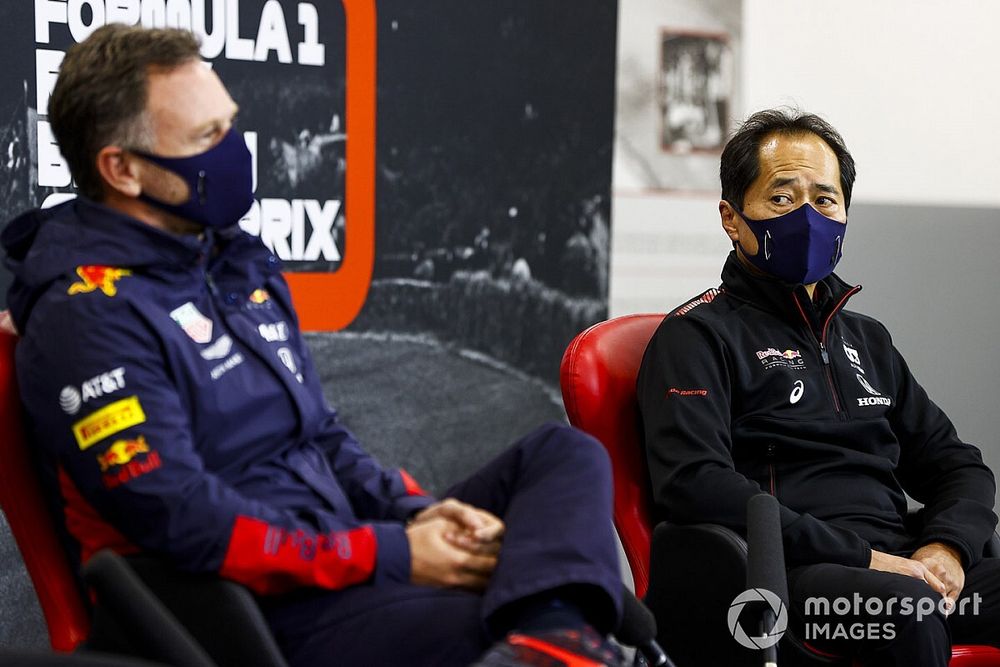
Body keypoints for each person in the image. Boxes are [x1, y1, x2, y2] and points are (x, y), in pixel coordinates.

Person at [1, 24, 625, 667]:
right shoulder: (86, 316)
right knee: (534, 605)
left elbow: (320, 436)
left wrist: (421, 517)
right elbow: (182, 519)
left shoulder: (238, 267)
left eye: (230, 125)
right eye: (206, 137)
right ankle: (560, 634)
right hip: (252, 609)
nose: (236, 150)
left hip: (347, 553)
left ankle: (555, 637)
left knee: (562, 455)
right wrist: (395, 554)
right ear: (122, 169)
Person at [637, 108, 1000, 666]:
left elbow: (959, 467)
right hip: (790, 579)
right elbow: (694, 482)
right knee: (908, 610)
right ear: (732, 219)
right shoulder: (695, 336)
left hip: (901, 563)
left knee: (921, 596)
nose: (807, 216)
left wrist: (947, 548)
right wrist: (865, 559)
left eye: (825, 200)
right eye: (782, 199)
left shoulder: (868, 340)